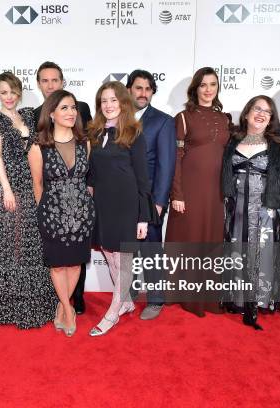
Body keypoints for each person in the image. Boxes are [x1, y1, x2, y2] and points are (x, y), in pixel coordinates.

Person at [222, 95, 280, 330]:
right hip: (237, 211)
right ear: (246, 113)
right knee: (238, 254)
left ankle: (259, 301)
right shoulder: (232, 139)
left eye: (267, 111)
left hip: (266, 212)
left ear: (272, 118)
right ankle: (238, 300)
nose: (261, 114)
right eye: (257, 108)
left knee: (262, 257)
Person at [0, 72, 58, 329]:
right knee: (10, 243)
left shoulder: (27, 116)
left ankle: (34, 301)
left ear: (19, 92)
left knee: (31, 243)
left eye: (13, 91)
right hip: (9, 187)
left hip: (31, 183)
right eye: (4, 92)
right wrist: (7, 189)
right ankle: (9, 302)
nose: (9, 97)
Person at [87, 81, 156, 336]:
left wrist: (143, 217)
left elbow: (142, 178)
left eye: (113, 100)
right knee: (107, 252)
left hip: (127, 204)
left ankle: (113, 311)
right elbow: (92, 175)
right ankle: (125, 300)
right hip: (103, 203)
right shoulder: (95, 133)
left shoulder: (134, 133)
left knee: (123, 258)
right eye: (104, 101)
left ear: (123, 103)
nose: (108, 105)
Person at [164, 67, 231, 317]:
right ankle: (182, 294)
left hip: (215, 193)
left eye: (213, 84)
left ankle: (206, 296)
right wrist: (177, 194)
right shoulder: (183, 117)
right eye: (203, 85)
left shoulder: (225, 119)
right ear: (195, 89)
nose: (208, 89)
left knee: (209, 240)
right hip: (189, 191)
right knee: (187, 240)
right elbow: (176, 158)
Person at [29, 90, 95, 337]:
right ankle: (67, 310)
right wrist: (43, 212)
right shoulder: (38, 145)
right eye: (65, 108)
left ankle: (62, 306)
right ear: (52, 113)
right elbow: (37, 185)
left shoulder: (84, 142)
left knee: (75, 263)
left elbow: (84, 178)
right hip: (51, 214)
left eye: (73, 108)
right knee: (57, 266)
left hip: (81, 213)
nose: (71, 113)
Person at [126, 69, 176, 320]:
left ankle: (156, 299)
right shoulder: (117, 117)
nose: (143, 93)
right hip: (122, 197)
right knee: (128, 246)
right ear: (129, 90)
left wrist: (158, 202)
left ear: (153, 92)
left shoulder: (163, 121)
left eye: (148, 89)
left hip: (149, 199)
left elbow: (167, 166)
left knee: (151, 248)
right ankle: (131, 291)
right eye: (138, 88)